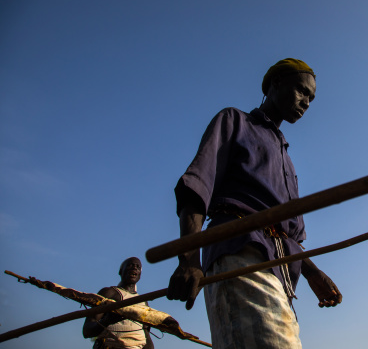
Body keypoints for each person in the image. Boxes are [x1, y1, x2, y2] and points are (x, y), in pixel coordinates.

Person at [166, 58, 341, 348]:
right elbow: (196, 188)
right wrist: (188, 261)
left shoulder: (286, 156)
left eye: (311, 97)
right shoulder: (236, 122)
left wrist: (312, 273)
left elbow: (282, 233)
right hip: (239, 253)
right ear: (276, 84)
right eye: (301, 90)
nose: (306, 102)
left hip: (280, 272)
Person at [83, 257, 154, 349]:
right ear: (120, 271)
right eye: (130, 265)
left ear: (140, 274)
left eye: (138, 267)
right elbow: (87, 331)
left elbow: (146, 334)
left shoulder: (143, 301)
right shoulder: (109, 293)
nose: (134, 268)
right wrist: (106, 321)